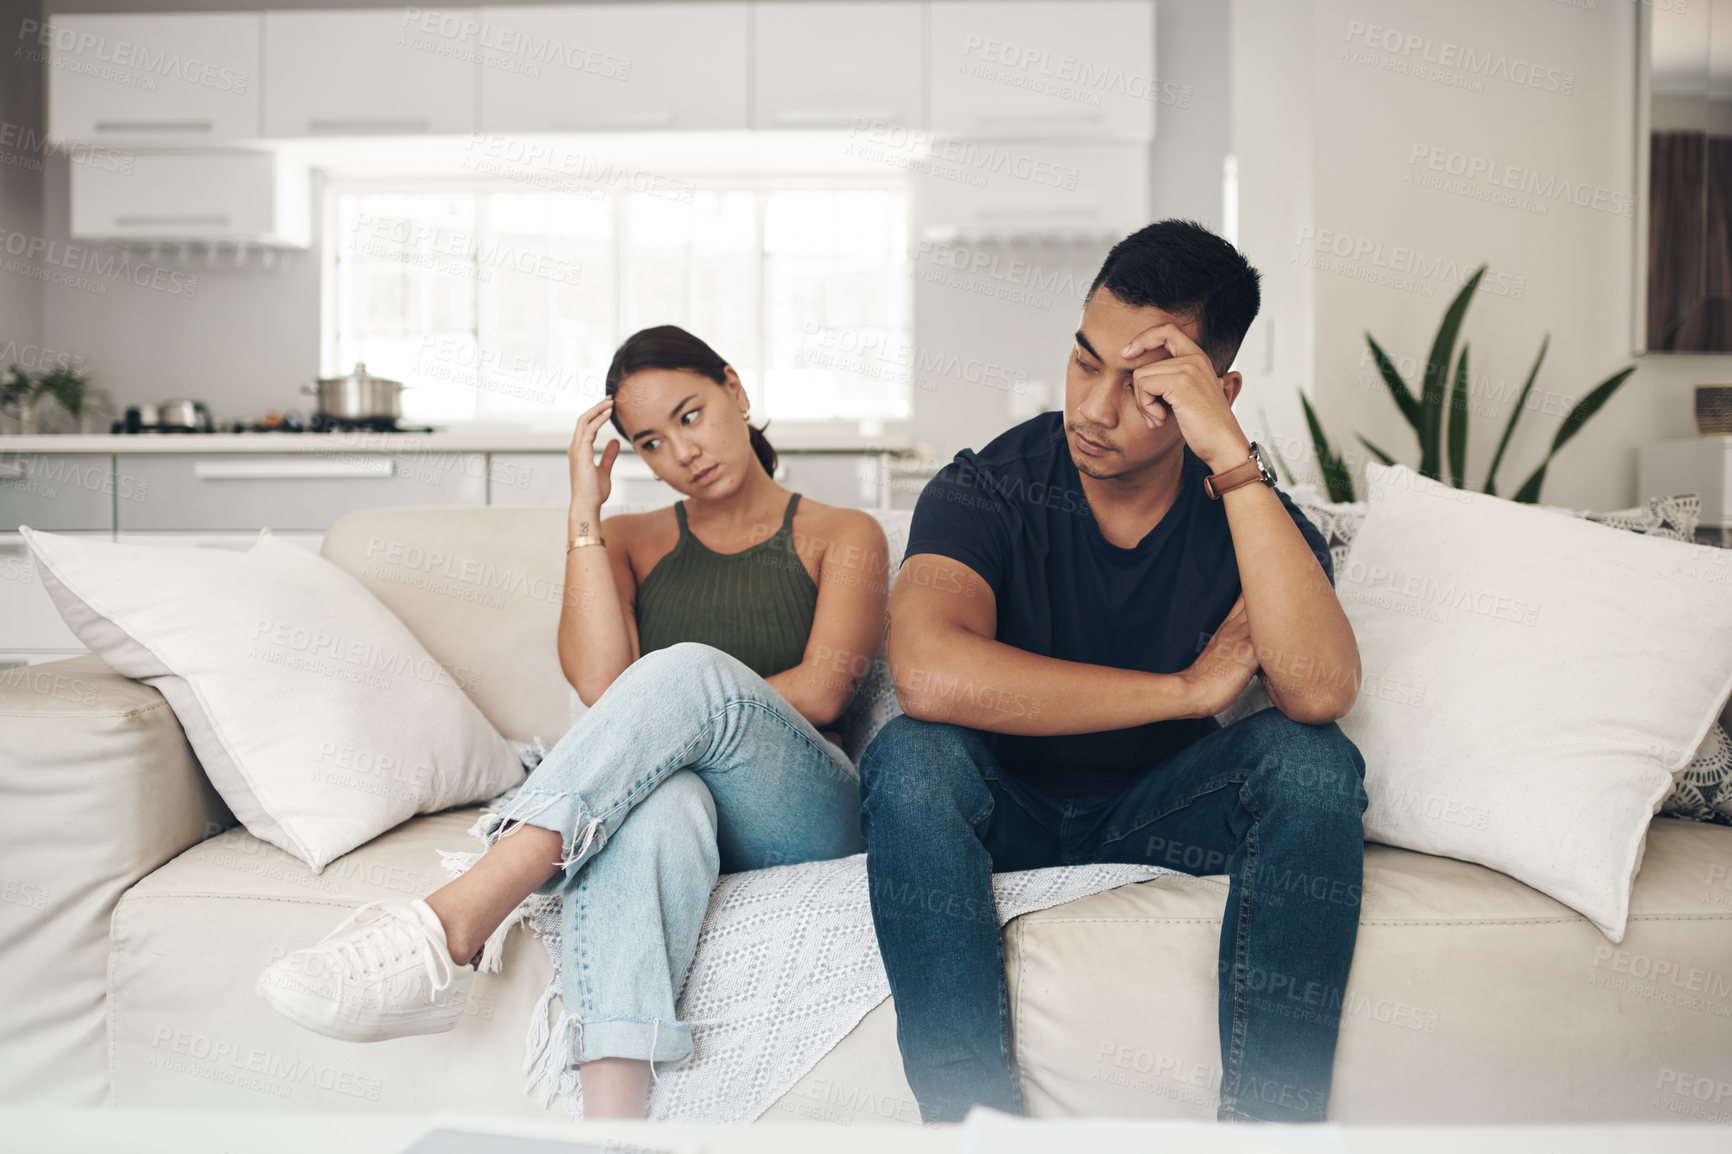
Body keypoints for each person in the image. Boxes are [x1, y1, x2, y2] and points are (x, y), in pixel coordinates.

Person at [258, 325, 889, 1118]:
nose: (682, 454)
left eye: (691, 415)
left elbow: (827, 692)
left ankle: (454, 920)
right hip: (679, 804)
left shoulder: (842, 532)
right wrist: (584, 512)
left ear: (736, 388)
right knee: (657, 805)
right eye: (652, 443)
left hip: (802, 811)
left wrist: (698, 701)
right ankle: (611, 1126)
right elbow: (602, 684)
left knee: (686, 672)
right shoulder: (628, 539)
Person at [860, 219, 1368, 1124]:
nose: (1094, 408)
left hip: (1158, 814)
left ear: (1218, 391)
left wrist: (1235, 468)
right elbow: (929, 674)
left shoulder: (1249, 514)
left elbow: (1319, 693)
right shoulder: (990, 486)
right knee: (910, 756)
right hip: (1000, 810)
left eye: (1146, 388)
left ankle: (1271, 1137)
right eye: (1086, 362)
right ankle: (973, 1132)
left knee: (1311, 762)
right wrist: (1183, 692)